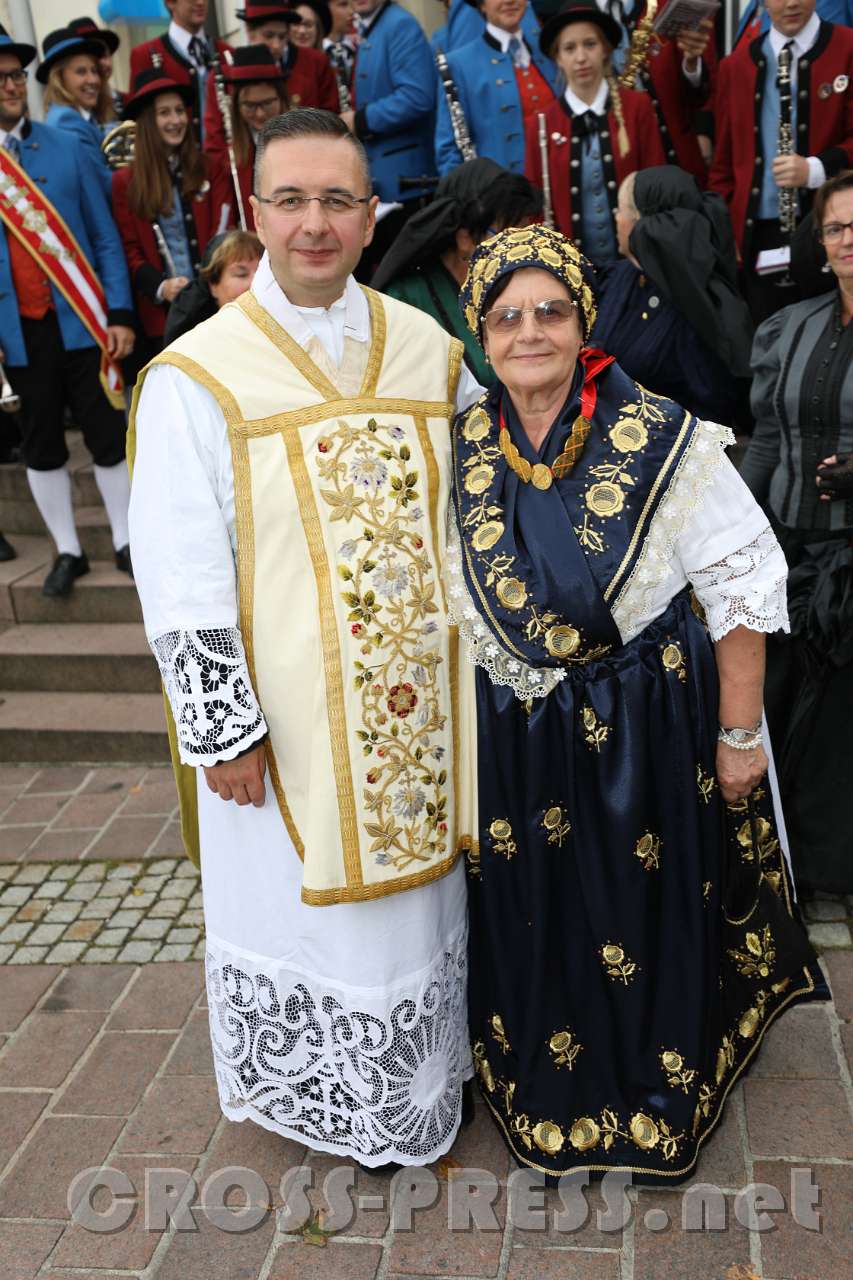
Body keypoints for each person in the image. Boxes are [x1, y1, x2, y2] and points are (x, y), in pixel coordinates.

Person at [128, 108, 484, 1166]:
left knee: (420, 914)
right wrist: (221, 725)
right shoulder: (199, 375)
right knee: (306, 917)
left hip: (424, 711)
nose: (315, 223)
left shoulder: (429, 346)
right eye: (291, 200)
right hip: (284, 727)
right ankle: (330, 1093)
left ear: (372, 216)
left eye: (338, 200)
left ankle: (423, 1079)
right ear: (255, 213)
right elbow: (179, 572)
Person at [449, 223, 821, 1182]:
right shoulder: (462, 445)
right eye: (505, 317)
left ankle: (653, 1094)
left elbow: (742, 587)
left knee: (635, 906)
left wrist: (739, 735)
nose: (528, 332)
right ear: (479, 334)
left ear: (583, 322)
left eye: (550, 311)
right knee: (540, 912)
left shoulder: (660, 436)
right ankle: (552, 1087)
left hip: (641, 729)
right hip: (517, 733)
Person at [740, 170, 853, 895]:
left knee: (836, 736)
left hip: (849, 571)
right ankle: (783, 877)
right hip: (785, 552)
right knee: (776, 715)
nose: (849, 241)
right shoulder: (793, 324)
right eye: (838, 228)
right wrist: (736, 534)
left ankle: (830, 884)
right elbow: (764, 440)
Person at [0, 25, 135, 597]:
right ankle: (68, 550)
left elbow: (105, 237)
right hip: (20, 334)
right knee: (42, 441)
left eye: (13, 75)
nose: (10, 86)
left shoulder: (62, 144)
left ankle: (129, 542)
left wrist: (121, 312)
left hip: (82, 322)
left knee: (106, 431)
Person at [708, 0, 853, 326]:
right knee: (768, 337)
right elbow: (723, 165)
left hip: (831, 227)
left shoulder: (847, 47)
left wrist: (816, 170)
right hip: (760, 234)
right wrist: (728, 229)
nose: (789, 3)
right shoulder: (736, 65)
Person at [592, 167, 754, 426]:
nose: (616, 217)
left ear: (640, 222)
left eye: (620, 209)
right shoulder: (619, 277)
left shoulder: (693, 304)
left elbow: (712, 405)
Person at [373, 157, 542, 385]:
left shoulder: (526, 289)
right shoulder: (407, 300)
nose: (521, 250)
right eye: (509, 236)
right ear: (464, 239)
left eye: (526, 236)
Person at [524, 2, 664, 262]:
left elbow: (655, 188)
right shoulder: (541, 123)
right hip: (571, 271)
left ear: (606, 50)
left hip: (635, 264)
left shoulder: (637, 108)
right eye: (569, 48)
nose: (580, 57)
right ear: (557, 57)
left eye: (590, 44)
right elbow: (535, 209)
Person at [112, 70, 233, 357]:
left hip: (216, 307)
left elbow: (224, 230)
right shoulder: (125, 182)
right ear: (147, 123)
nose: (176, 120)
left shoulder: (210, 168)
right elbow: (127, 250)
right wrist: (162, 286)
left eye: (179, 110)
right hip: (164, 317)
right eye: (164, 113)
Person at [342, 0, 437, 273]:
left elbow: (418, 96)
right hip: (384, 185)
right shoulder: (375, 26)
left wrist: (359, 120)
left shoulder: (400, 25)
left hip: (406, 186)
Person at [435, 0, 560, 178]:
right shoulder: (459, 65)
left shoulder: (548, 52)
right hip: (501, 197)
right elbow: (449, 152)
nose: (509, 1)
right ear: (482, 5)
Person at [202, 2, 338, 163]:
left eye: (282, 37)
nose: (277, 45)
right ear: (249, 32)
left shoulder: (315, 62)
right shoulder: (224, 75)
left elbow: (332, 124)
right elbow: (216, 146)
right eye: (268, 35)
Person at [617, 0, 717, 187]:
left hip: (678, 168)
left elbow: (700, 94)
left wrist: (691, 63)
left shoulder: (665, 5)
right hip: (620, 173)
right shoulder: (582, 10)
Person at [204, 45, 289, 232]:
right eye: (250, 106)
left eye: (267, 103)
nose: (259, 114)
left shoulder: (302, 140)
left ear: (281, 98)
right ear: (236, 105)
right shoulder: (229, 152)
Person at [130, 0, 231, 143]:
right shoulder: (144, 55)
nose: (201, 2)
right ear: (170, 2)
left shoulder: (227, 53)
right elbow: (140, 123)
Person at [39, 26, 115, 203]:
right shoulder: (66, 121)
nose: (93, 80)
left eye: (94, 71)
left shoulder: (82, 116)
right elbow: (105, 184)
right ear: (59, 78)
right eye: (81, 72)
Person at [164, 228, 264, 343]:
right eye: (241, 274)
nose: (256, 282)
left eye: (263, 272)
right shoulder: (193, 344)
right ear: (213, 286)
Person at [67, 15, 125, 117]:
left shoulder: (128, 102)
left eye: (104, 56)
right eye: (92, 58)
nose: (100, 63)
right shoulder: (69, 116)